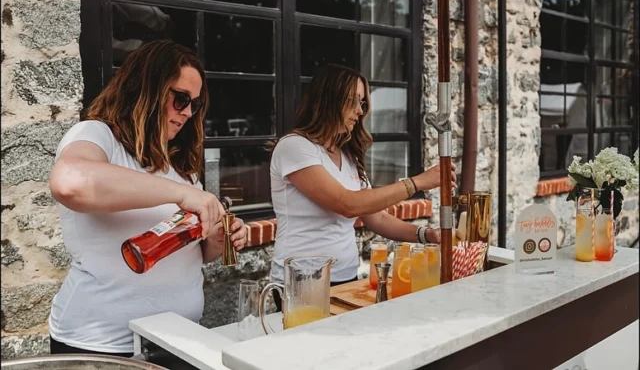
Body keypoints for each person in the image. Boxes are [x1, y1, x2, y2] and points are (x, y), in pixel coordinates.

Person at [48, 40, 248, 356]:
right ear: (145, 88)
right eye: (180, 98)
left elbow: (192, 254)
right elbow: (70, 183)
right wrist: (184, 195)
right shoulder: (98, 136)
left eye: (194, 105)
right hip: (103, 348)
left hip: (178, 342)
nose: (186, 113)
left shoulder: (181, 165)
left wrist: (218, 237)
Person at [268, 64, 456, 307]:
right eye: (352, 101)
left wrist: (425, 234)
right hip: (302, 282)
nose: (359, 111)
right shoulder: (294, 147)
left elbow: (375, 217)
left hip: (346, 279)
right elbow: (347, 204)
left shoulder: (348, 155)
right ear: (328, 100)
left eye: (362, 102)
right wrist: (417, 182)